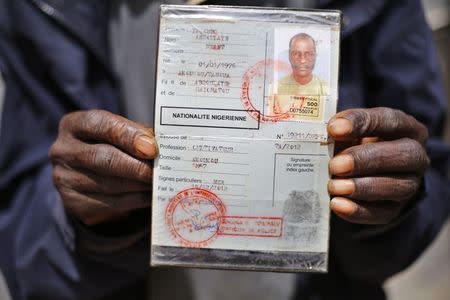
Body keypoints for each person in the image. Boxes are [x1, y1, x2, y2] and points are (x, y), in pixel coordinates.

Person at [0, 1, 449, 300]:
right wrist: (87, 224)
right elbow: (27, 261)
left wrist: (387, 207)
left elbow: (429, 174)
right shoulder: (42, 9)